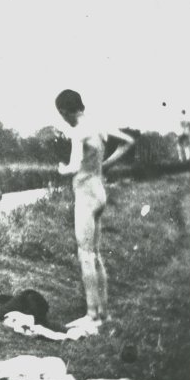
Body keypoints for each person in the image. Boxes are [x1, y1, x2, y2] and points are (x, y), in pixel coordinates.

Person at [54, 89, 134, 327]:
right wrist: (106, 164)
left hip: (86, 194)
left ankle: (92, 314)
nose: (63, 119)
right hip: (99, 191)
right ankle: (104, 312)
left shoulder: (79, 132)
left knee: (85, 254)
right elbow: (128, 142)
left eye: (62, 114)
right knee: (95, 253)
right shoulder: (98, 125)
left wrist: (61, 169)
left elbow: (74, 165)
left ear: (67, 110)